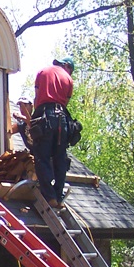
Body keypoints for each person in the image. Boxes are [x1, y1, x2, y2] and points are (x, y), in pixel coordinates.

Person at [32, 56, 75, 209]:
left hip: (44, 114)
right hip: (62, 119)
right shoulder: (68, 79)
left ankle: (49, 196)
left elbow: (37, 98)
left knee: (41, 156)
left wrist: (34, 119)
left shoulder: (43, 72)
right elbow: (65, 103)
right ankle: (58, 195)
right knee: (60, 157)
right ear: (67, 66)